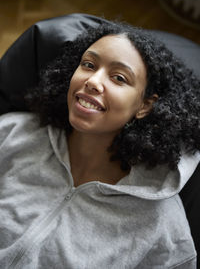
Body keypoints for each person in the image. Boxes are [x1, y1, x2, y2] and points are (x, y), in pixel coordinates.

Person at [0, 20, 200, 269]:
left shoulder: (161, 223)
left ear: (145, 105)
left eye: (118, 78)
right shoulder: (11, 133)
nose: (93, 80)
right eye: (88, 65)